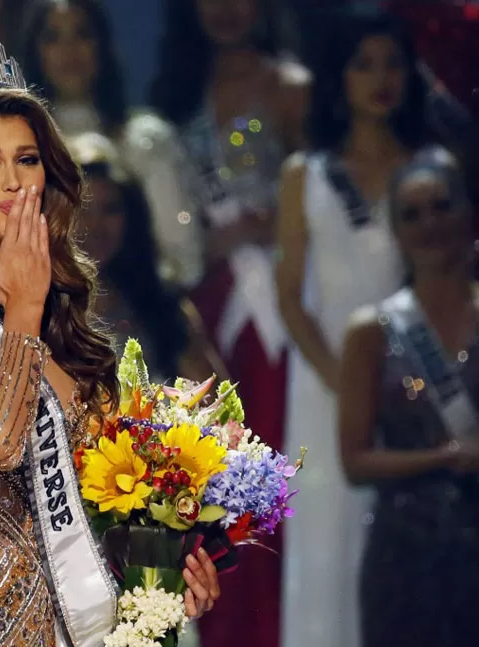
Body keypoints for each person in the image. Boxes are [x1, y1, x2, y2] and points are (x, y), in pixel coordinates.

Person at [0, 20, 221, 646]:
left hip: (76, 623)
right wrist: (22, 313)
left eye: (26, 159)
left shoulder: (67, 314)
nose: (12, 180)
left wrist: (169, 564)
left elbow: (104, 496)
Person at [148, 3, 309, 646]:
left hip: (275, 307)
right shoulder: (173, 92)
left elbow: (320, 200)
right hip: (205, 305)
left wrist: (265, 230)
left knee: (271, 466)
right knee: (206, 475)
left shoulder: (292, 87)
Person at [276, 11, 433, 647]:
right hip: (326, 387)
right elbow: (290, 297)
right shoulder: (304, 175)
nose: (380, 79)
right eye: (362, 64)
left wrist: (406, 388)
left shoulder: (432, 171)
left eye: (392, 63)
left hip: (417, 384)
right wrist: (345, 380)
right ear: (338, 77)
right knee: (326, 538)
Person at [339, 155, 479, 647]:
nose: (431, 224)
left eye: (442, 207)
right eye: (413, 214)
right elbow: (355, 462)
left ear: (467, 214)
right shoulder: (371, 331)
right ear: (396, 230)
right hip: (405, 552)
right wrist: (447, 457)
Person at [68, 132, 224, 382]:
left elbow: (216, 407)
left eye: (110, 209)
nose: (94, 226)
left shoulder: (160, 305)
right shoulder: (35, 310)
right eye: (83, 209)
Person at [19, 0, 127, 138]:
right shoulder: (18, 139)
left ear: (101, 46)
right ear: (35, 52)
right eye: (53, 37)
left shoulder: (144, 139)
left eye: (82, 34)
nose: (69, 49)